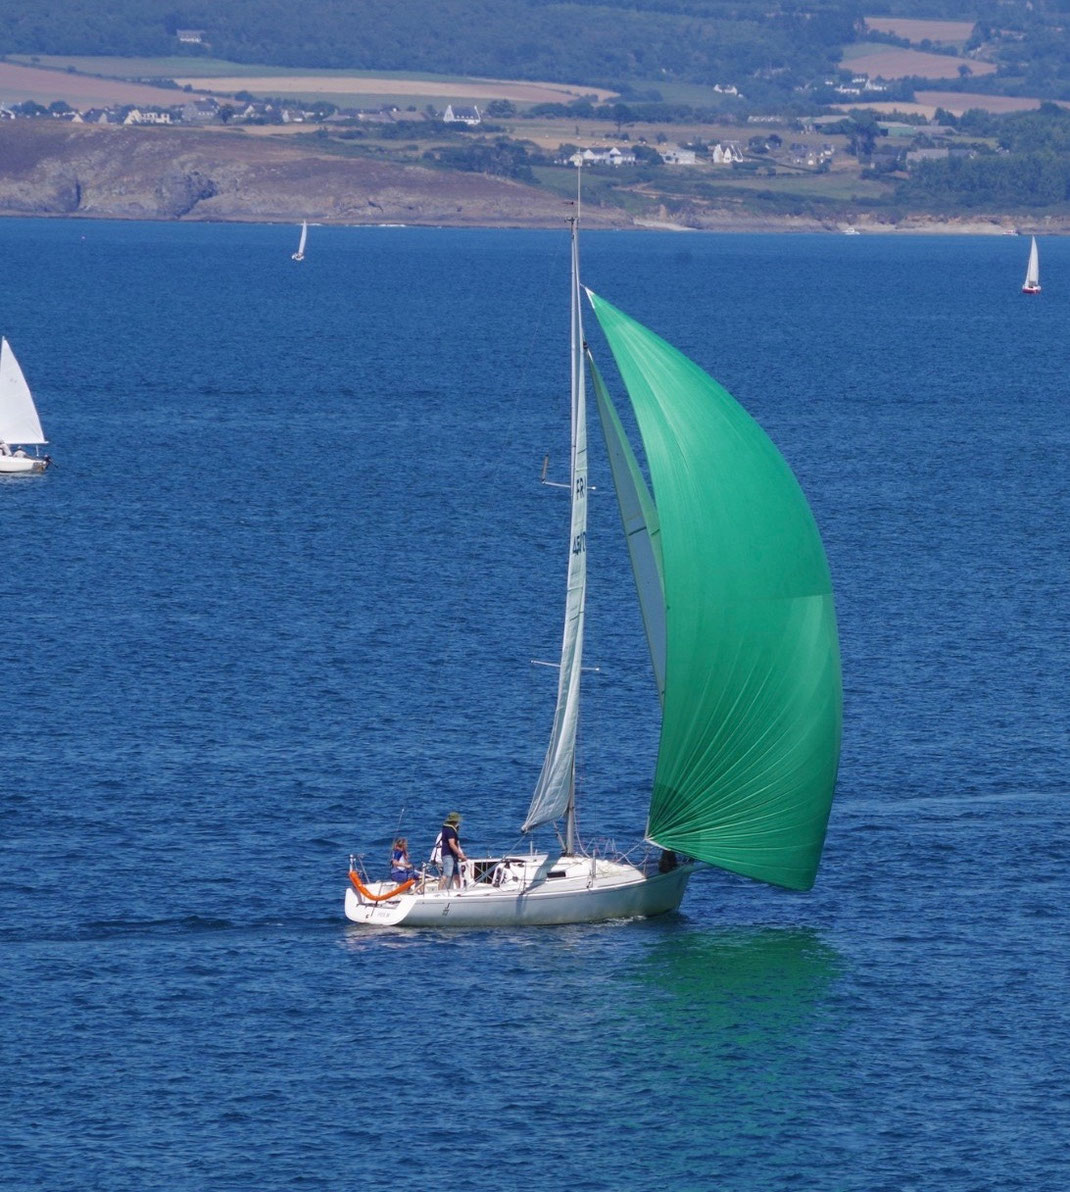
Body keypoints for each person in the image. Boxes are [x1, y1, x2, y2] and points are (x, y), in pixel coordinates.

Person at [438, 812, 466, 892]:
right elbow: (452, 844)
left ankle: (459, 890)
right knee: (447, 873)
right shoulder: (450, 830)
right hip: (448, 855)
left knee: (456, 873)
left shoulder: (447, 829)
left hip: (453, 855)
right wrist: (460, 854)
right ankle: (439, 891)